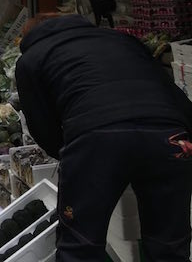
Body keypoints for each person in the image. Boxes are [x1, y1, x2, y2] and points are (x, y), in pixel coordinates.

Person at [16, 15, 192, 262]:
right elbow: (172, 93)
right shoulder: (124, 40)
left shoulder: (31, 59)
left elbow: (43, 127)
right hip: (168, 135)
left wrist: (77, 161)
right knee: (169, 245)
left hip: (96, 137)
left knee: (80, 245)